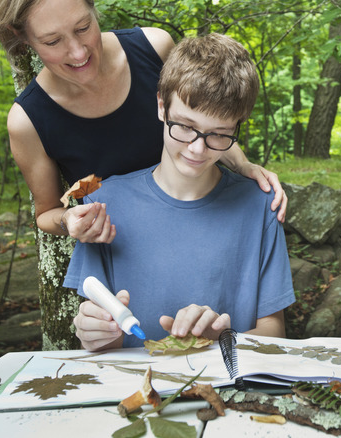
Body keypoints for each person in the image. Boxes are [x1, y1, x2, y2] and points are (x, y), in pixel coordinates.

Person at [0, 0, 287, 244]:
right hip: (127, 255)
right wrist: (69, 222)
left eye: (83, 27)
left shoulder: (154, 48)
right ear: (23, 36)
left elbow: (206, 121)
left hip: (208, 223)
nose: (78, 52)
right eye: (52, 41)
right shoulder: (28, 121)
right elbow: (47, 212)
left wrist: (243, 166)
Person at [65, 33, 295, 351]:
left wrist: (224, 340)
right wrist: (96, 335)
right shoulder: (104, 206)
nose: (197, 148)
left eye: (218, 134)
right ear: (162, 105)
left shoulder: (259, 206)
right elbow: (99, 344)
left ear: (237, 128)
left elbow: (274, 330)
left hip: (232, 395)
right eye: (185, 126)